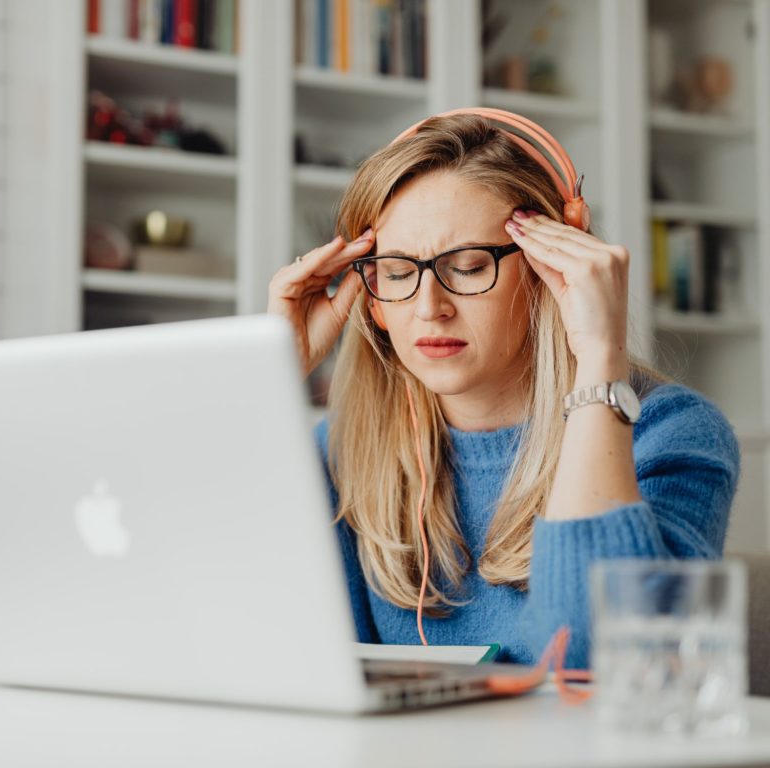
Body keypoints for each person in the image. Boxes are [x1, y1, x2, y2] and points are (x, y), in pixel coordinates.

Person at [266, 110, 739, 668]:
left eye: (467, 267)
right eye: (396, 273)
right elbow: (268, 642)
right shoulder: (342, 450)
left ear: (551, 269)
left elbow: (594, 661)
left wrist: (598, 363)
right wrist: (271, 377)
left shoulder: (671, 435)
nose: (428, 308)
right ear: (370, 296)